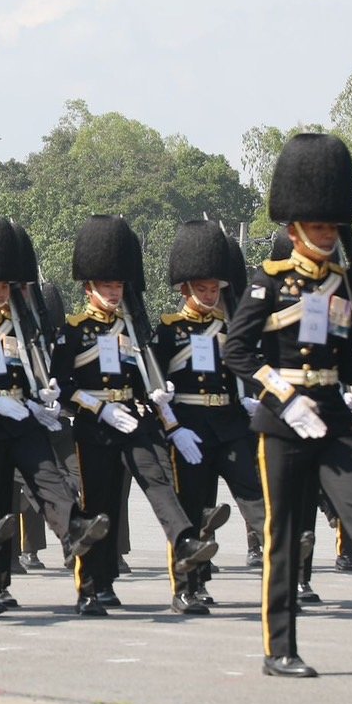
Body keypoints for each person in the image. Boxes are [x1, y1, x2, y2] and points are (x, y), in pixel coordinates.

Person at [222, 134, 352, 678]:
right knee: (285, 535)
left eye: (332, 226)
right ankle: (281, 647)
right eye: (317, 226)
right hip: (283, 421)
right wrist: (283, 394)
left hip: (334, 417)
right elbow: (237, 351)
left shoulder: (347, 283)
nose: (326, 235)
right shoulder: (268, 283)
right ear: (295, 227)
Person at [53, 215, 222, 617]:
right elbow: (62, 386)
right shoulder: (74, 330)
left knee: (159, 481)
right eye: (107, 285)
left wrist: (156, 394)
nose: (114, 292)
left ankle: (184, 543)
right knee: (100, 507)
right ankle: (94, 587)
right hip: (96, 424)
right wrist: (99, 408)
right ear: (88, 286)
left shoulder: (133, 328)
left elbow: (144, 375)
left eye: (118, 285)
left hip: (135, 419)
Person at [0, 215, 109, 617]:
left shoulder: (24, 327)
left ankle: (74, 529)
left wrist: (44, 397)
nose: (1, 292)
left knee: (50, 479)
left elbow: (37, 372)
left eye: (5, 285)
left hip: (24, 420)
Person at [152, 219, 263, 613]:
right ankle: (187, 585)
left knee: (254, 493)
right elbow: (155, 382)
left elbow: (245, 368)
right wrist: (171, 426)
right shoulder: (169, 330)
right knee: (194, 507)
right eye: (203, 289)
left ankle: (284, 557)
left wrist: (252, 398)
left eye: (215, 288)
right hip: (191, 426)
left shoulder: (230, 326)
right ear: (185, 288)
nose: (211, 295)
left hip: (231, 422)